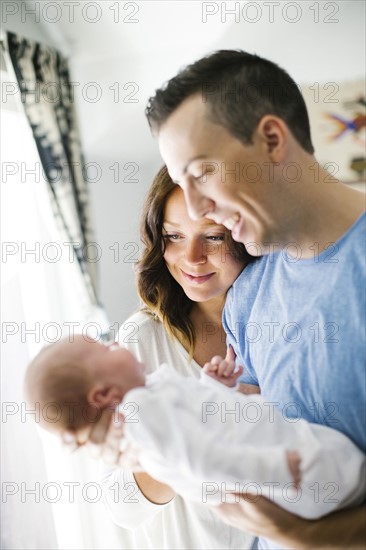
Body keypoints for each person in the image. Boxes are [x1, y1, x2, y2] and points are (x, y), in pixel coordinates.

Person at [145, 50, 366, 549]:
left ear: (271, 139)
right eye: (182, 184)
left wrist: (312, 537)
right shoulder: (247, 298)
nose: (201, 209)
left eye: (201, 173)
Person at [24, 335, 365, 521]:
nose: (117, 343)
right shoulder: (142, 414)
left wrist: (213, 385)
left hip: (284, 466)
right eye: (105, 348)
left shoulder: (148, 406)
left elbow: (203, 420)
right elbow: (206, 461)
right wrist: (272, 471)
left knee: (347, 467)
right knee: (348, 470)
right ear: (104, 393)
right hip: (288, 472)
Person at [99, 166, 256, 550]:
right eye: (173, 236)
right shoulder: (142, 340)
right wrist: (187, 437)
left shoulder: (277, 323)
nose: (191, 258)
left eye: (213, 236)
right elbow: (122, 506)